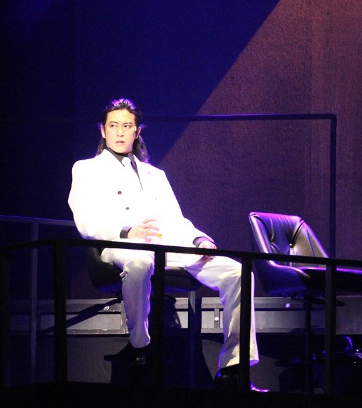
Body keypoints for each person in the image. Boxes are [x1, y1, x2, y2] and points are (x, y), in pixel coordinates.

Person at [68, 98, 265, 391]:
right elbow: (86, 220)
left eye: (127, 126)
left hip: (166, 244)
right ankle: (139, 346)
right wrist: (128, 231)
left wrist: (199, 239)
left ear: (137, 131)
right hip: (120, 243)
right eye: (114, 125)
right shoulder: (87, 169)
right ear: (103, 130)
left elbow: (175, 220)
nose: (120, 132)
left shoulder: (155, 175)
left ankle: (235, 368)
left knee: (237, 273)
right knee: (140, 262)